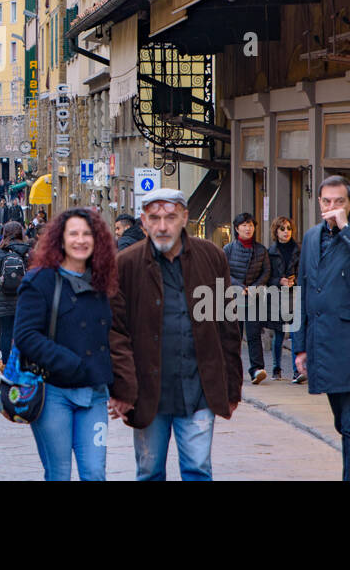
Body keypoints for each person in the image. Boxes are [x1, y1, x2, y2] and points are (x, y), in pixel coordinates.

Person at [108, 189, 242, 481]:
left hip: (198, 389)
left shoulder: (211, 257)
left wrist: (232, 385)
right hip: (147, 391)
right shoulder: (127, 264)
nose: (162, 226)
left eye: (170, 217)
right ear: (143, 221)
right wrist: (122, 386)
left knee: (198, 470)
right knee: (149, 472)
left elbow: (228, 325)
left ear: (184, 217)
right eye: (154, 218)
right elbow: (116, 331)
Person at [15, 208, 125, 481]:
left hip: (95, 394)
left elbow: (116, 336)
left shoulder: (104, 282)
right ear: (60, 239)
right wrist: (69, 362)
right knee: (59, 474)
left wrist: (121, 387)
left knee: (95, 473)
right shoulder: (40, 280)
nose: (80, 240)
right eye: (73, 233)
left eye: (87, 234)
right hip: (53, 393)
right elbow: (26, 335)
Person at [292, 175, 350, 482]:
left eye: (339, 201)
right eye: (326, 201)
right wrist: (300, 346)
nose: (332, 207)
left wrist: (346, 227)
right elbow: (303, 291)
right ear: (319, 202)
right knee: (343, 423)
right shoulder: (310, 237)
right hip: (321, 342)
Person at [224, 212, 271, 384]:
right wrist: (238, 286)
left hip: (253, 299)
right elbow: (223, 272)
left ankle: (257, 369)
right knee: (233, 336)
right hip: (233, 299)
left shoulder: (261, 250)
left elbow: (267, 271)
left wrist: (255, 286)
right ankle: (231, 371)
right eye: (244, 225)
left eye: (250, 225)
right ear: (237, 228)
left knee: (253, 335)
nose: (248, 228)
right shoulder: (228, 249)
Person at [0, 220, 30, 367]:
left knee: (5, 332)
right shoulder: (28, 251)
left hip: (2, 299)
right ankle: (20, 362)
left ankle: (5, 362)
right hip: (23, 299)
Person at [268, 216, 301, 381]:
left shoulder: (298, 249)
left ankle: (297, 370)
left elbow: (304, 271)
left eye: (288, 228)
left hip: (295, 294)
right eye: (282, 229)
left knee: (296, 333)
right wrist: (279, 280)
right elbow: (267, 276)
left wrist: (295, 279)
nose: (286, 232)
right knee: (279, 333)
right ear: (276, 231)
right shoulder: (271, 252)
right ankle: (276, 368)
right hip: (278, 294)